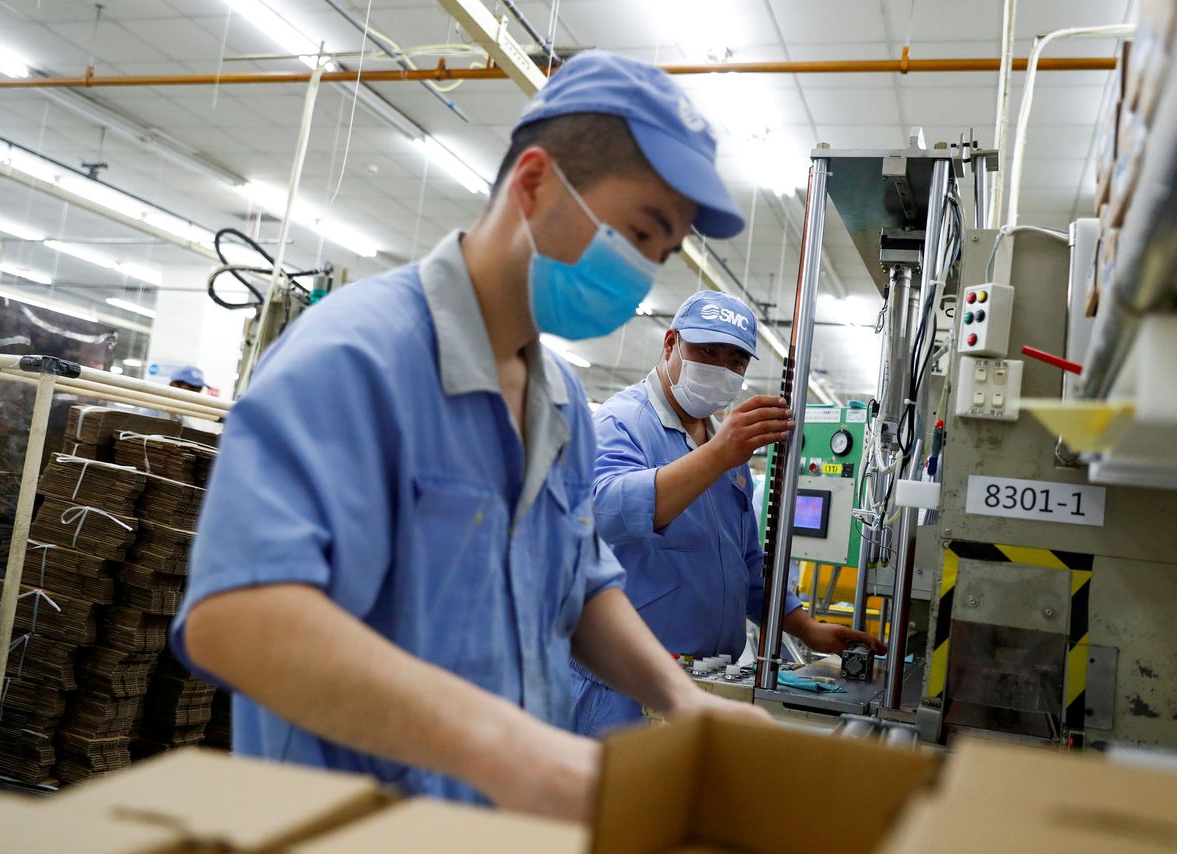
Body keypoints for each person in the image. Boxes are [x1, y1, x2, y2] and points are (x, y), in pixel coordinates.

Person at [171, 51, 767, 823]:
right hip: (350, 825)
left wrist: (683, 700)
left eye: (660, 254)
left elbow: (582, 586)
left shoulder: (560, 402)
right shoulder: (355, 361)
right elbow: (237, 620)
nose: (643, 272)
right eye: (639, 234)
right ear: (534, 182)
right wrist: (504, 747)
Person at [571, 291, 887, 736]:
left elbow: (745, 565)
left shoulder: (727, 451)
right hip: (619, 689)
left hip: (700, 684)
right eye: (708, 352)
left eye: (736, 361)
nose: (722, 368)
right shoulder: (620, 422)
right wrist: (718, 453)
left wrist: (806, 628)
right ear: (670, 343)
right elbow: (603, 511)